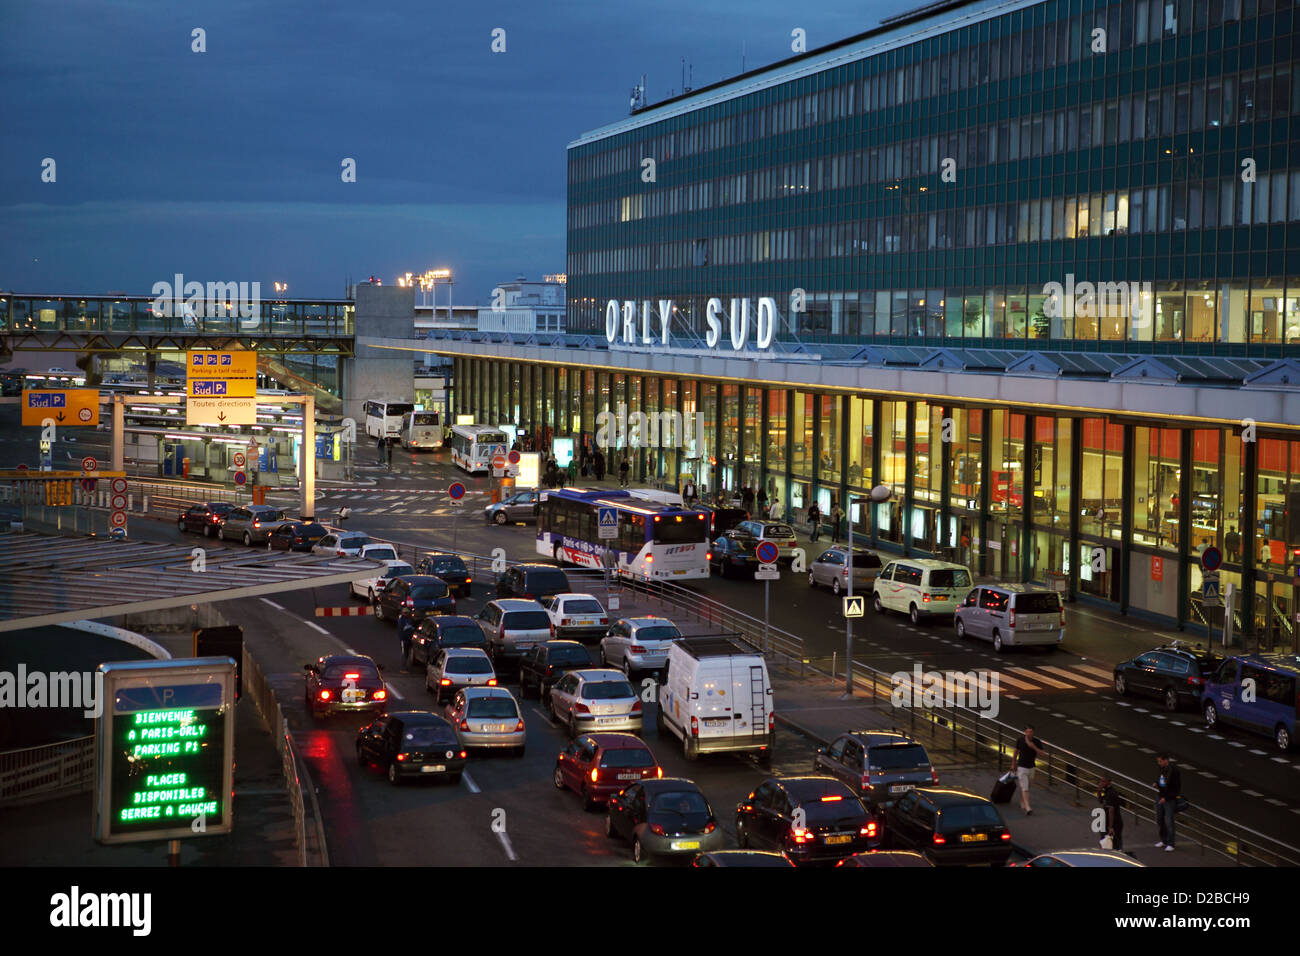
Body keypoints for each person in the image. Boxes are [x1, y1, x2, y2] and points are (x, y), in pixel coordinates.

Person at [1014, 725, 1046, 814]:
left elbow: (1042, 753)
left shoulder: (1036, 741)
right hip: (1021, 767)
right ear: (1025, 732)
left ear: (1033, 732)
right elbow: (1016, 752)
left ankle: (1023, 801)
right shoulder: (1020, 740)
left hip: (1031, 767)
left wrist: (1033, 747)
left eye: (1031, 732)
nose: (1029, 733)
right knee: (1025, 787)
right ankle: (1028, 807)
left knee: (1028, 786)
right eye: (1027, 732)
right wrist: (1013, 764)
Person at [1154, 753, 1181, 852]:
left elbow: (1176, 788)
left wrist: (1167, 798)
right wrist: (1156, 784)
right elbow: (1160, 780)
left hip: (1169, 799)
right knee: (1159, 819)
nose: (1159, 763)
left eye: (1160, 761)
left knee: (1169, 821)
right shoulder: (1161, 769)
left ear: (1166, 760)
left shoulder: (1174, 771)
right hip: (1160, 796)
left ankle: (1171, 843)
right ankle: (1164, 840)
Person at [1096, 775, 1126, 852]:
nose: (1101, 783)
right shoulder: (1106, 791)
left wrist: (1110, 827)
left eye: (1103, 781)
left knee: (1115, 844)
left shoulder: (1111, 793)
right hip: (1107, 821)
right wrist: (1099, 791)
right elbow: (1100, 801)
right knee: (1105, 841)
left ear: (1109, 782)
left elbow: (1111, 810)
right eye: (1100, 781)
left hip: (1114, 822)